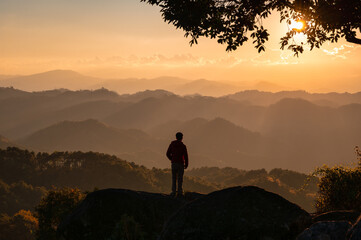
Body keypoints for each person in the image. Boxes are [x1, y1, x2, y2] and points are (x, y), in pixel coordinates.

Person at [166, 132, 189, 197]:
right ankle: (179, 192)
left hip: (174, 163)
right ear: (182, 138)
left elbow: (167, 153)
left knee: (174, 178)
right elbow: (186, 156)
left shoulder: (172, 144)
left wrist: (172, 159)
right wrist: (186, 164)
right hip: (181, 163)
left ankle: (173, 192)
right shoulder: (183, 146)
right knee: (180, 178)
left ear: (176, 137)